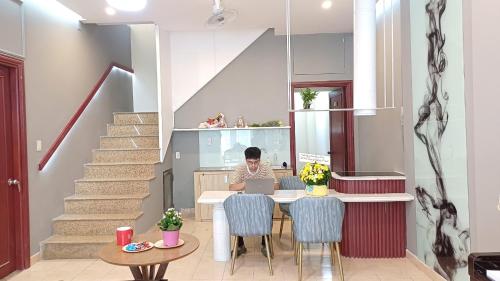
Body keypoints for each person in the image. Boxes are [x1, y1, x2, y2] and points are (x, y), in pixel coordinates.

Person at [229, 147, 279, 257]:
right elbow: (231, 187)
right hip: (245, 204)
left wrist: (261, 184)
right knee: (237, 212)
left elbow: (276, 185)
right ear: (246, 160)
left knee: (267, 211)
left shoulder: (265, 167)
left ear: (259, 160)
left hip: (261, 204)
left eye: (256, 162)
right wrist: (246, 184)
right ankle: (240, 245)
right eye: (250, 162)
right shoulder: (240, 168)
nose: (253, 165)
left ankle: (265, 243)